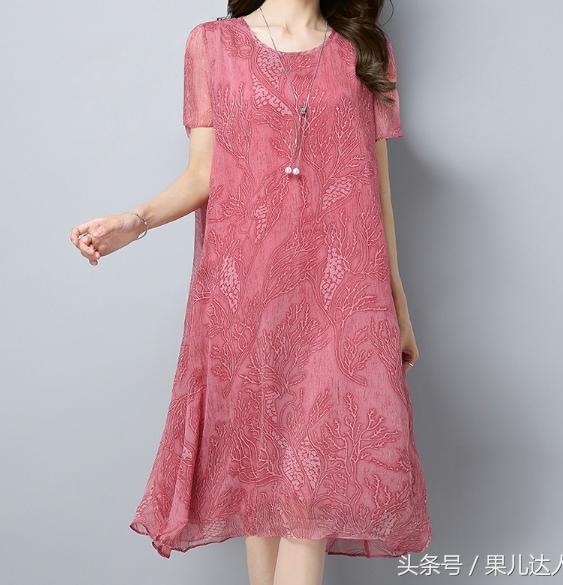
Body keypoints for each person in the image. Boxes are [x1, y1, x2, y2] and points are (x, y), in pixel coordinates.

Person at [69, 1, 432, 583]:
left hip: (344, 297)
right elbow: (202, 173)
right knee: (263, 492)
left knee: (310, 496)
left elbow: (376, 188)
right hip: (246, 298)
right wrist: (136, 221)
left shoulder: (364, 51)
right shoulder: (213, 44)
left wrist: (398, 304)